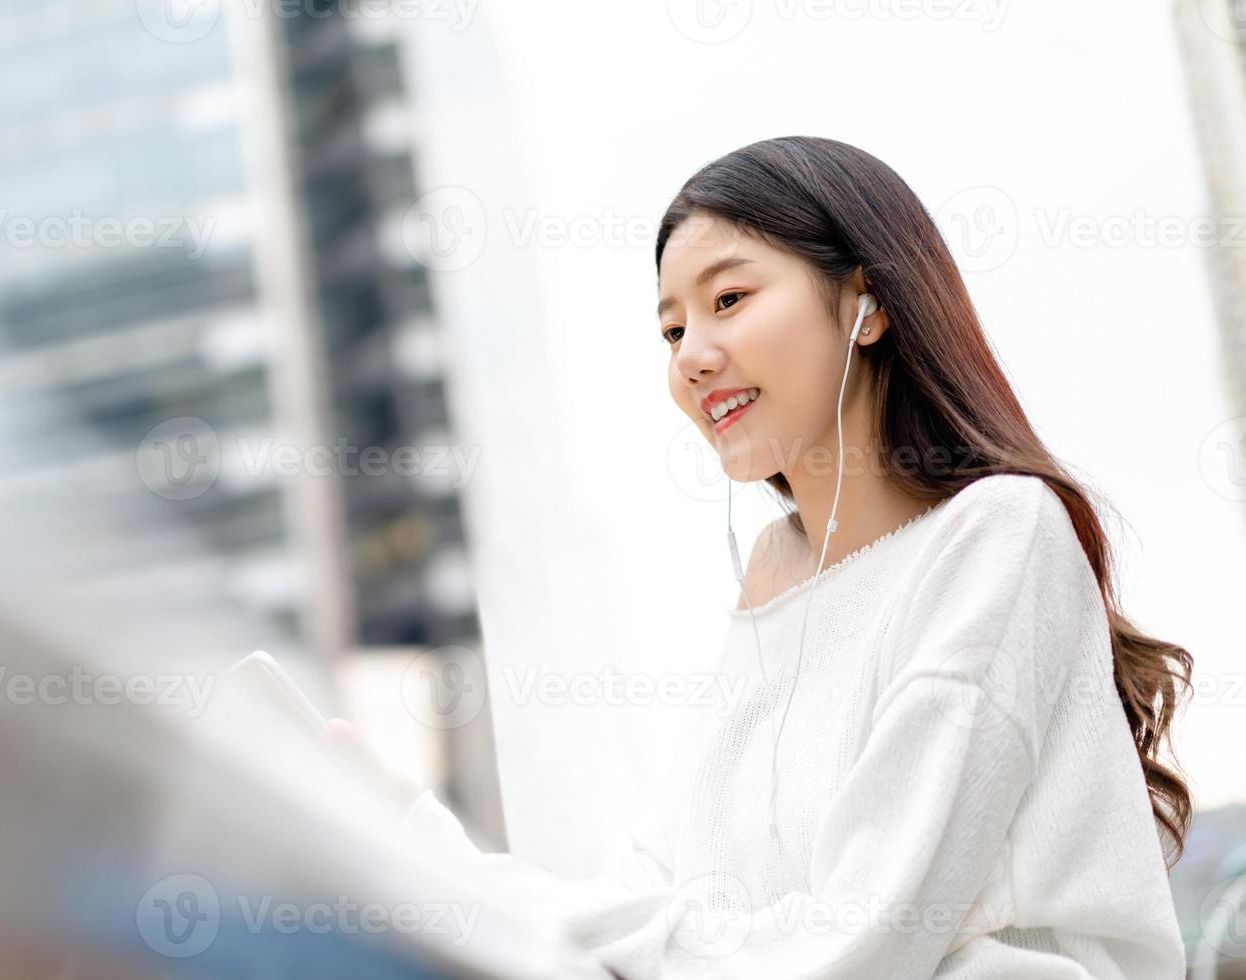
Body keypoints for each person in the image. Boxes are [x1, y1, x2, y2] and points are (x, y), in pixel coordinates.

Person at [335, 136, 1194, 979]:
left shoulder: (999, 534)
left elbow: (861, 943)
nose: (692, 359)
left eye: (730, 299)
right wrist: (411, 844)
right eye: (672, 330)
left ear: (869, 303)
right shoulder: (772, 582)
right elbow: (656, 899)